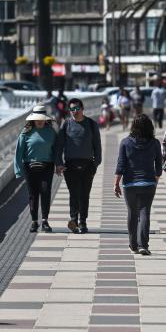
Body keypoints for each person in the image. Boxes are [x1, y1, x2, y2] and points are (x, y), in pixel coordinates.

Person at [114, 114, 163, 255]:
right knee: (144, 212)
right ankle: (143, 245)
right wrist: (155, 180)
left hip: (130, 184)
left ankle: (133, 245)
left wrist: (116, 183)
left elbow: (121, 165)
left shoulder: (125, 143)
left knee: (132, 213)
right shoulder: (155, 143)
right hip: (148, 183)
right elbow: (159, 166)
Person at [56, 98, 102, 234]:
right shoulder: (66, 125)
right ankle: (74, 220)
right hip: (70, 165)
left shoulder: (92, 125)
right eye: (71, 109)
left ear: (82, 109)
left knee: (84, 194)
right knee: (74, 193)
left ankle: (83, 221)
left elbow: (97, 147)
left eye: (77, 108)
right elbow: (59, 146)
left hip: (88, 165)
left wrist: (95, 164)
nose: (74, 112)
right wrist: (59, 163)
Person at [14, 105, 58, 233]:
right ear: (32, 119)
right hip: (30, 167)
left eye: (42, 119)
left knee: (45, 192)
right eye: (37, 119)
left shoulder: (51, 132)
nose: (39, 121)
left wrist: (58, 164)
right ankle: (34, 221)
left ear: (45, 119)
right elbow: (18, 153)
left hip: (47, 166)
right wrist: (18, 170)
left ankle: (45, 221)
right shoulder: (25, 133)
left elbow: (56, 150)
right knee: (33, 195)